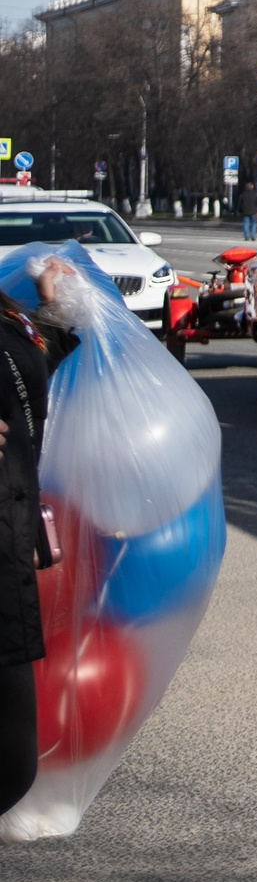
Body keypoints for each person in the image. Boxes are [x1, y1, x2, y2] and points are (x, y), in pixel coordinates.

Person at [0, 260, 79, 814]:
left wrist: (51, 305)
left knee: (13, 766)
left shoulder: (7, 318)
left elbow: (29, 368)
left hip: (8, 557)